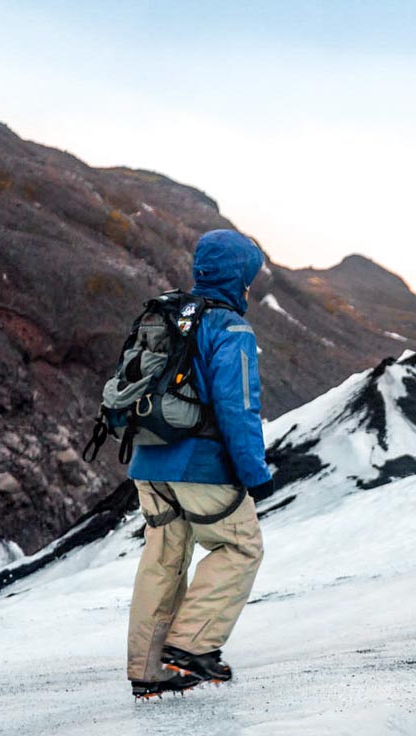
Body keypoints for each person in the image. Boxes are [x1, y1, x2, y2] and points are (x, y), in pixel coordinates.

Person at [126, 229, 275, 698]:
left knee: (163, 560)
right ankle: (191, 648)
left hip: (148, 460)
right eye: (248, 278)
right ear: (238, 277)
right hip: (199, 464)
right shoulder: (230, 328)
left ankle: (149, 670)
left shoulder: (172, 314)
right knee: (240, 547)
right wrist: (255, 473)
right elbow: (238, 408)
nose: (249, 287)